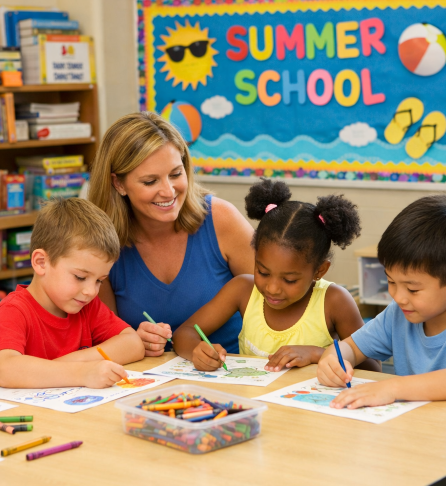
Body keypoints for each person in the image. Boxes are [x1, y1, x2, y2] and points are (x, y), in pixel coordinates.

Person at [317, 195, 446, 486]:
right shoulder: (399, 314)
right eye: (390, 282)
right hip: (413, 451)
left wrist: (392, 388)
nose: (398, 297)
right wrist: (334, 360)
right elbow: (349, 348)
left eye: (412, 288)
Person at [88, 112, 254, 356]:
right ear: (119, 184)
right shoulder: (100, 242)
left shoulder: (221, 219)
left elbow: (277, 303)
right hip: (148, 381)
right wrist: (132, 340)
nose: (168, 191)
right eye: (150, 181)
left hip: (233, 371)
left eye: (176, 174)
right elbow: (100, 335)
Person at [174, 178, 381, 373]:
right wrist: (197, 350)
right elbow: (184, 333)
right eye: (263, 272)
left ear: (320, 270)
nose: (272, 288)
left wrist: (319, 354)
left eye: (289, 280)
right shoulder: (241, 290)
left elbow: (373, 368)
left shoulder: (335, 301)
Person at [0, 198, 147, 389]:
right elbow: (4, 369)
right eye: (80, 277)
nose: (91, 291)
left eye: (99, 280)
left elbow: (133, 343)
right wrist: (82, 373)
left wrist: (73, 361)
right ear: (41, 262)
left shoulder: (86, 306)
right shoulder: (13, 311)